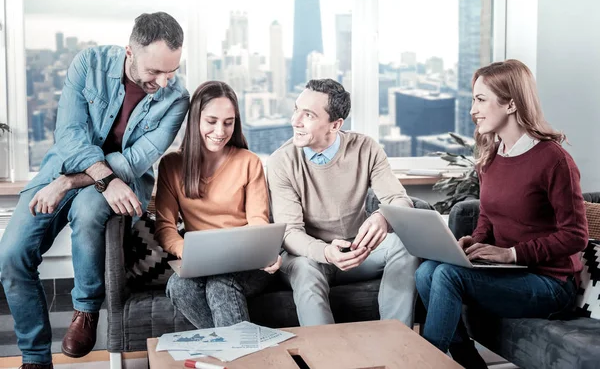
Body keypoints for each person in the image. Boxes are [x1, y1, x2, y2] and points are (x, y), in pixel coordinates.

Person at [0, 12, 190, 368]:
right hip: (60, 167)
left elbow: (136, 159)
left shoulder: (177, 99)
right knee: (10, 257)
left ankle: (85, 310)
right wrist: (73, 177)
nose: (164, 82)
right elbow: (69, 135)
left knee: (88, 212)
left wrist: (71, 183)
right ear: (129, 52)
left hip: (104, 181)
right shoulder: (88, 64)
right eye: (155, 72)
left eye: (172, 71)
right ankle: (35, 358)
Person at [415, 59, 589, 368]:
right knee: (427, 270)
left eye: (481, 100)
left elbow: (575, 236)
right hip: (513, 275)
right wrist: (476, 243)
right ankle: (468, 361)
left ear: (510, 104)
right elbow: (488, 215)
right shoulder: (491, 157)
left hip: (551, 283)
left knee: (446, 276)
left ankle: (426, 362)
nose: (473, 110)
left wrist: (511, 254)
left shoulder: (554, 160)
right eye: (474, 99)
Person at [266, 78, 419, 327]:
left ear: (335, 125)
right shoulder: (281, 161)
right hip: (310, 255)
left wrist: (385, 216)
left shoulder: (365, 148)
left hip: (356, 250)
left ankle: (397, 342)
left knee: (404, 244)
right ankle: (326, 360)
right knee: (305, 270)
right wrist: (326, 252)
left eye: (308, 115)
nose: (295, 121)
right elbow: (290, 233)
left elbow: (398, 199)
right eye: (296, 109)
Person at [155, 80, 281, 329]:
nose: (220, 131)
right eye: (211, 122)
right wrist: (187, 252)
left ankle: (235, 358)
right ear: (195, 121)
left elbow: (258, 220)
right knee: (177, 286)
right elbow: (165, 227)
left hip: (247, 263)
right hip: (201, 262)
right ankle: (234, 352)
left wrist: (265, 252)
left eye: (228, 122)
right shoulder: (172, 165)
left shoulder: (249, 162)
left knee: (220, 283)